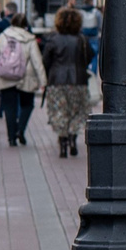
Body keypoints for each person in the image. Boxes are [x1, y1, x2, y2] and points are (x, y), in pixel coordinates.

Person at [0, 13, 47, 146]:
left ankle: (11, 138)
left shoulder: (3, 36)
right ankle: (20, 129)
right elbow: (37, 62)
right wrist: (43, 81)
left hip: (6, 75)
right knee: (27, 104)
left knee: (9, 107)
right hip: (26, 77)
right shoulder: (30, 39)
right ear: (26, 25)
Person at [41, 9, 93, 156]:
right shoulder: (82, 40)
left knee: (59, 112)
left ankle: (62, 142)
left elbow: (46, 61)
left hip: (57, 81)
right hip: (79, 81)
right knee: (78, 111)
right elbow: (88, 56)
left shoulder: (53, 40)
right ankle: (72, 137)